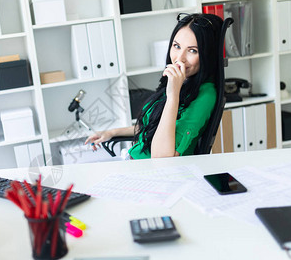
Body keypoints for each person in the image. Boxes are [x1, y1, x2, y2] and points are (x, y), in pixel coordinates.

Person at [85, 13, 223, 159]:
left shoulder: (205, 96)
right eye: (176, 46)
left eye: (192, 50)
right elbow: (153, 125)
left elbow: (161, 157)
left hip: (155, 174)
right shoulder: (182, 82)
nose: (179, 58)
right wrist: (112, 132)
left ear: (208, 55)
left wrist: (173, 96)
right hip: (135, 162)